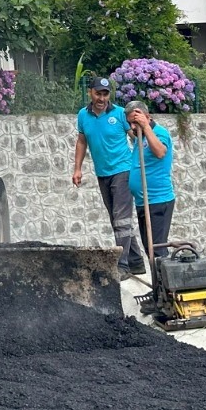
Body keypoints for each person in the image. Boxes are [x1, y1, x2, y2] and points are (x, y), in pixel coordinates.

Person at [71, 77, 144, 274]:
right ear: (90, 93)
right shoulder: (83, 116)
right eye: (98, 93)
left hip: (123, 170)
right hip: (102, 173)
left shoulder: (120, 114)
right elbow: (81, 141)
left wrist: (141, 130)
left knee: (121, 218)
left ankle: (123, 266)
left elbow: (134, 135)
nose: (102, 98)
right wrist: (77, 168)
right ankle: (136, 261)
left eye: (105, 94)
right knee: (117, 220)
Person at [125, 100, 175, 259]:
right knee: (149, 249)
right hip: (142, 201)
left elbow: (160, 152)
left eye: (135, 122)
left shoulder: (159, 133)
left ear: (147, 117)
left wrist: (145, 126)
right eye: (130, 123)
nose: (133, 127)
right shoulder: (141, 137)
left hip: (157, 200)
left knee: (158, 249)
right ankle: (158, 281)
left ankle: (164, 283)